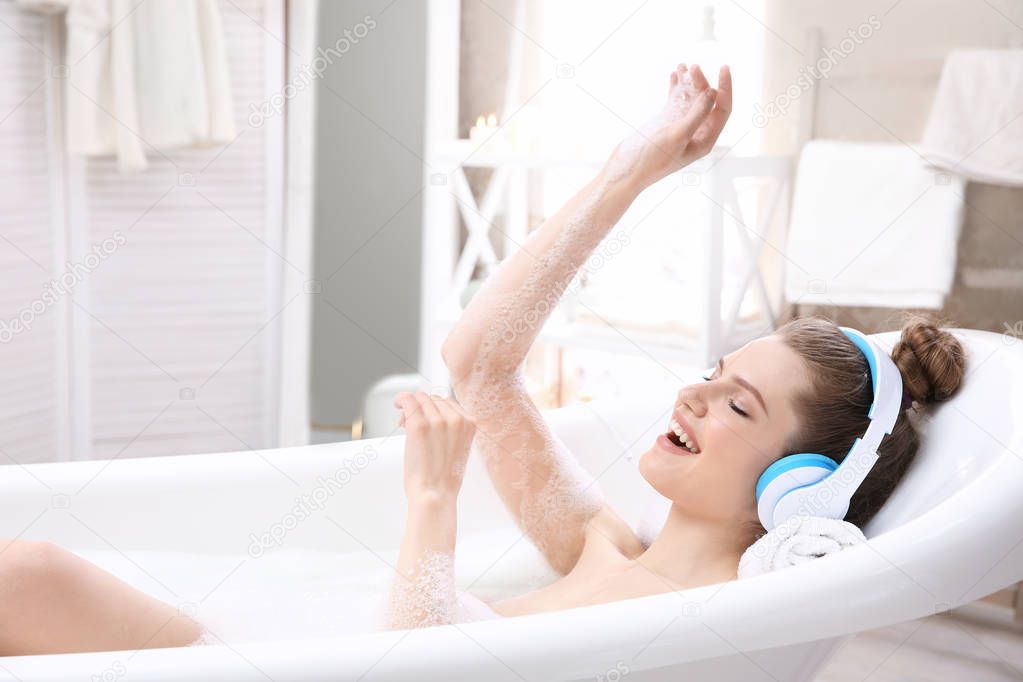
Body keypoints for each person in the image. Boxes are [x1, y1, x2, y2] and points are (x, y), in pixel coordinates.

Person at [387, 63, 966, 627]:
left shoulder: (697, 628)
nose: (692, 393)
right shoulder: (602, 545)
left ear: (799, 487)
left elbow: (407, 670)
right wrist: (629, 174)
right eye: (715, 375)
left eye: (738, 405)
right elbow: (478, 365)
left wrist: (433, 500)